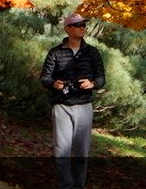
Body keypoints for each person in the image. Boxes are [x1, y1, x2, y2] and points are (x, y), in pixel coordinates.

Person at [40, 12, 105, 189]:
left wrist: (92, 83)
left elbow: (101, 78)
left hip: (84, 106)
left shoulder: (92, 52)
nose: (82, 28)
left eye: (84, 25)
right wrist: (54, 84)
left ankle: (79, 185)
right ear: (68, 28)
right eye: (78, 25)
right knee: (62, 150)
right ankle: (65, 186)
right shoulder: (55, 52)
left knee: (82, 152)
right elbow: (44, 77)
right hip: (62, 106)